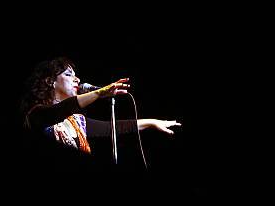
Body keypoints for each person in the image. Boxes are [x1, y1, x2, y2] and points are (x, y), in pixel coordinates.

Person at [20, 57, 181, 166]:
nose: (77, 79)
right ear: (50, 82)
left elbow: (114, 127)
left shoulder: (78, 121)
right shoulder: (36, 114)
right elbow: (63, 109)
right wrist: (99, 93)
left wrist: (152, 122)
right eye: (69, 75)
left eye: (76, 76)